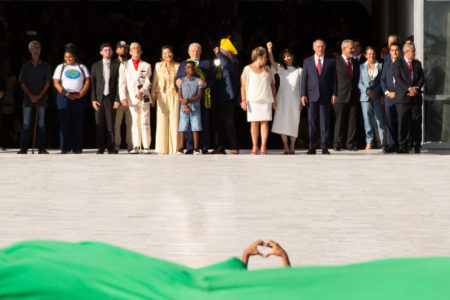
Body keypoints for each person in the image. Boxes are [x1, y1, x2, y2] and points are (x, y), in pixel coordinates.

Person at [53, 43, 91, 154]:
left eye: (70, 57)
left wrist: (81, 94)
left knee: (77, 122)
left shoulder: (81, 67)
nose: (68, 59)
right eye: (66, 57)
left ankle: (77, 147)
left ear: (74, 56)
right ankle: (64, 147)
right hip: (64, 96)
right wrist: (66, 94)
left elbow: (87, 81)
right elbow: (56, 83)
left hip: (78, 96)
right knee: (65, 122)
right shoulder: (61, 67)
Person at [301, 39, 337, 155]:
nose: (320, 49)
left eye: (322, 47)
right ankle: (312, 147)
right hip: (312, 96)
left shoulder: (330, 61)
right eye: (318, 46)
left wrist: (334, 93)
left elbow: (335, 80)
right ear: (314, 48)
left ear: (325, 48)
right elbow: (304, 80)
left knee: (325, 122)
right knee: (312, 123)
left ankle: (324, 147)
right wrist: (303, 94)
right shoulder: (307, 61)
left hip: (326, 96)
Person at [175, 43, 212, 154]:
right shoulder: (182, 64)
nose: (195, 53)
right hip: (186, 100)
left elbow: (212, 80)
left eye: (197, 51)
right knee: (186, 124)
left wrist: (205, 83)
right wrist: (177, 82)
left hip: (201, 98)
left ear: (200, 52)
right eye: (193, 51)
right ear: (189, 52)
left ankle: (203, 147)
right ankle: (189, 147)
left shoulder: (207, 64)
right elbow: (178, 78)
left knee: (202, 122)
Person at [267, 41, 302, 155]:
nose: (287, 58)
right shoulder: (281, 68)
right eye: (285, 57)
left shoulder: (300, 70)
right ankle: (286, 146)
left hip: (295, 99)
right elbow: (272, 61)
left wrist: (302, 101)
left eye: (289, 56)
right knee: (283, 121)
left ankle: (292, 145)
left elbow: (302, 87)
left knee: (294, 121)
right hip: (282, 98)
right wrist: (269, 50)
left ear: (293, 57)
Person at [240, 46, 277, 155]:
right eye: (265, 58)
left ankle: (263, 147)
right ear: (258, 57)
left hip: (265, 100)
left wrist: (274, 100)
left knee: (264, 123)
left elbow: (272, 85)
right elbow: (243, 86)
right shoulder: (247, 69)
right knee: (254, 124)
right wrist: (243, 100)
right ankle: (255, 146)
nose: (266, 60)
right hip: (252, 100)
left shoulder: (267, 69)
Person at [17, 41, 52, 154]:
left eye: (38, 47)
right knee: (26, 123)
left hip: (41, 99)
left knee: (41, 123)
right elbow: (22, 82)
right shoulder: (26, 66)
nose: (36, 50)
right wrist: (31, 95)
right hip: (28, 99)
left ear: (41, 49)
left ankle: (41, 148)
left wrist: (40, 95)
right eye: (33, 48)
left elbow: (47, 82)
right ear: (30, 50)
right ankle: (23, 148)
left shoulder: (46, 66)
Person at [119, 42, 153, 154]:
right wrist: (123, 97)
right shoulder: (125, 65)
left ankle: (146, 146)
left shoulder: (146, 65)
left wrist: (142, 91)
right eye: (133, 48)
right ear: (130, 52)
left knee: (145, 121)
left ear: (141, 51)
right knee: (134, 121)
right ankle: (136, 145)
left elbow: (147, 81)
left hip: (144, 96)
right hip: (132, 97)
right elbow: (122, 83)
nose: (136, 50)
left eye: (138, 48)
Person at [393, 43, 425, 153]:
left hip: (415, 97)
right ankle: (402, 145)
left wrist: (416, 89)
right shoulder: (398, 63)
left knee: (416, 121)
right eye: (413, 51)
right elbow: (398, 79)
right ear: (406, 52)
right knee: (402, 121)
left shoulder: (417, 64)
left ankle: (417, 144)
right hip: (403, 97)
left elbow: (421, 77)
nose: (415, 53)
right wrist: (408, 89)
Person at [91, 43, 121, 154]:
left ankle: (111, 146)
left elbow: (119, 83)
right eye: (105, 50)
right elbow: (93, 83)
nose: (107, 51)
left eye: (109, 50)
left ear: (112, 52)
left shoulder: (116, 65)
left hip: (111, 98)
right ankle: (100, 147)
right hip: (99, 98)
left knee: (110, 124)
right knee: (99, 124)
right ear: (101, 52)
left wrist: (117, 99)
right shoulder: (96, 65)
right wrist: (93, 99)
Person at [211, 37, 239, 155]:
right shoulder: (219, 62)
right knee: (217, 123)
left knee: (229, 122)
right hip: (217, 95)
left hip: (228, 96)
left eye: (222, 51)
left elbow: (226, 64)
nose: (220, 53)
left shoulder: (233, 62)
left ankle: (234, 147)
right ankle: (220, 147)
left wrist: (218, 53)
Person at [152, 45, 180, 155]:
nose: (167, 55)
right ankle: (162, 148)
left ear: (172, 53)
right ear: (162, 56)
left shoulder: (178, 65)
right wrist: (152, 97)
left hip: (175, 94)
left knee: (174, 120)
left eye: (169, 52)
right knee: (162, 121)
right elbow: (154, 81)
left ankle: (175, 148)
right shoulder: (158, 66)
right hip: (161, 95)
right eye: (165, 53)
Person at [333, 39, 360, 151]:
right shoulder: (335, 62)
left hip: (353, 95)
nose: (353, 50)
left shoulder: (355, 62)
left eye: (353, 47)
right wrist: (333, 93)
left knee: (352, 121)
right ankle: (337, 143)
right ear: (344, 49)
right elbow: (332, 80)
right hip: (340, 95)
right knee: (339, 121)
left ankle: (351, 143)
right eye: (351, 48)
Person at [358, 46, 385, 150]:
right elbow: (359, 83)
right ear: (365, 55)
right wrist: (367, 91)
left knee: (380, 119)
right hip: (365, 97)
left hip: (377, 96)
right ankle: (369, 141)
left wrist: (376, 91)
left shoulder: (381, 66)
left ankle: (383, 141)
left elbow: (382, 81)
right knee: (367, 120)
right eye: (369, 54)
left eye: (373, 54)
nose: (372, 56)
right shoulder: (361, 67)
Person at [177, 61, 203, 155]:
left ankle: (196, 148)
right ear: (185, 69)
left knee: (195, 127)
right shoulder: (181, 81)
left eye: (192, 67)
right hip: (184, 109)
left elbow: (199, 95)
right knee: (182, 127)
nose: (191, 69)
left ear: (195, 69)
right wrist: (185, 105)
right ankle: (181, 147)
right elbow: (180, 96)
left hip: (195, 108)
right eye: (188, 67)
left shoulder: (198, 80)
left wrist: (188, 100)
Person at [380, 42, 401, 153]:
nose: (394, 52)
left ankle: (400, 144)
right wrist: (387, 93)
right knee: (389, 121)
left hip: (400, 97)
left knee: (400, 121)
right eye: (392, 50)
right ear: (390, 52)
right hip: (389, 97)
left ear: (400, 51)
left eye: (396, 50)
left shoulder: (403, 63)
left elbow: (406, 81)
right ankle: (391, 144)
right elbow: (382, 80)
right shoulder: (386, 63)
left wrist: (398, 93)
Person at [114, 41, 133, 152]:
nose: (123, 50)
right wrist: (118, 98)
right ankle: (116, 145)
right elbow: (114, 84)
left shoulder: (131, 64)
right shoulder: (113, 64)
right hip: (118, 99)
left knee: (131, 124)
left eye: (125, 48)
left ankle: (130, 146)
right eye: (120, 48)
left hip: (131, 98)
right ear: (116, 50)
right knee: (117, 124)